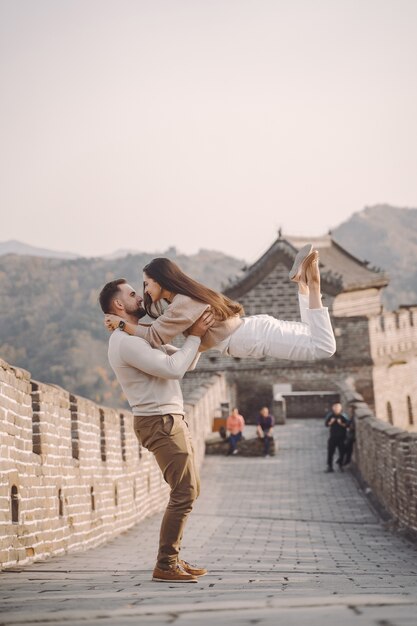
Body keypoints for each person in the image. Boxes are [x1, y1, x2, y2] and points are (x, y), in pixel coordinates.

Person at [99, 278, 214, 583]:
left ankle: (172, 557)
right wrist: (194, 339)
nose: (141, 296)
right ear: (118, 305)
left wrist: (195, 336)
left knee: (190, 488)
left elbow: (186, 362)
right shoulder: (125, 342)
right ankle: (166, 563)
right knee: (185, 490)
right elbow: (174, 368)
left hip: (171, 418)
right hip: (159, 421)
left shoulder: (140, 336)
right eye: (133, 294)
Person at [104, 244, 336, 363]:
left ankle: (312, 284)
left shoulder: (180, 304)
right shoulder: (182, 300)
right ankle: (302, 285)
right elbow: (155, 330)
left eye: (147, 284)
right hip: (252, 330)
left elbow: (154, 336)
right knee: (312, 334)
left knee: (324, 348)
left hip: (251, 337)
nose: (145, 290)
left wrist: (121, 324)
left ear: (162, 281)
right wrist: (128, 323)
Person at [324, 402, 349, 472]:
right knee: (330, 452)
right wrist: (331, 422)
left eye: (338, 407)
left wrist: (341, 423)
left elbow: (348, 425)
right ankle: (330, 466)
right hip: (333, 437)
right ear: (333, 408)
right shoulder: (330, 415)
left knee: (342, 452)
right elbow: (326, 424)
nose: (337, 409)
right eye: (335, 407)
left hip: (342, 437)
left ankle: (340, 465)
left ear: (341, 408)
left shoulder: (343, 416)